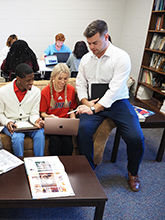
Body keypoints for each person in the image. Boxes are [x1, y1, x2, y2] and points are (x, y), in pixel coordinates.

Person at [75, 20, 144, 192]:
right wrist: (85, 102)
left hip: (117, 102)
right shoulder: (85, 59)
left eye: (95, 43)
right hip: (92, 101)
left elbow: (115, 89)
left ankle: (133, 173)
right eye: (89, 43)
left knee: (136, 138)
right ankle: (89, 169)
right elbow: (80, 84)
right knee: (83, 131)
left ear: (106, 37)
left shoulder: (121, 57)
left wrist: (95, 108)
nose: (91, 47)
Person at [0, 63, 45, 157]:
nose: (31, 82)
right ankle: (21, 165)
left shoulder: (36, 92)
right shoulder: (3, 92)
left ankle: (39, 162)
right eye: (28, 80)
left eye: (33, 79)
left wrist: (36, 121)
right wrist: (7, 122)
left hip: (28, 123)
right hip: (11, 123)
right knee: (17, 138)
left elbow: (34, 113)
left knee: (40, 134)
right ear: (18, 79)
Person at [40, 63, 77, 155]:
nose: (63, 82)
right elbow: (42, 113)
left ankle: (67, 165)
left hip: (65, 123)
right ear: (53, 77)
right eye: (59, 78)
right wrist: (50, 116)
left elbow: (71, 109)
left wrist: (73, 121)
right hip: (52, 124)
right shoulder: (45, 91)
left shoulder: (71, 90)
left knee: (68, 142)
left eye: (65, 79)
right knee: (54, 141)